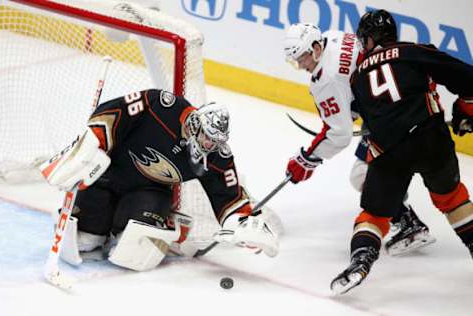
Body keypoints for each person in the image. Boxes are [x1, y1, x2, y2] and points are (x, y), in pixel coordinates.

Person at [40, 89, 279, 271]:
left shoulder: (216, 155)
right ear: (196, 125)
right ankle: (97, 226)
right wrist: (93, 143)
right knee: (84, 240)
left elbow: (229, 198)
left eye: (216, 141)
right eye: (208, 138)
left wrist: (242, 225)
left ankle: (123, 226)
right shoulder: (163, 106)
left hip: (148, 192)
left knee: (132, 248)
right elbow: (115, 112)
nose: (211, 146)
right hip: (108, 175)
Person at [330, 9, 473, 295]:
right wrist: (464, 111)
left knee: (374, 215)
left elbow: (363, 117)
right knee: (451, 197)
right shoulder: (413, 52)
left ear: (369, 40)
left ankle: (361, 260)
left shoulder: (357, 77)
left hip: (388, 150)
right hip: (431, 138)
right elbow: (468, 79)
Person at [283, 23, 434, 256]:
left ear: (314, 47)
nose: (301, 65)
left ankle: (408, 224)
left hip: (388, 118)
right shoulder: (334, 37)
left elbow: (339, 134)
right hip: (405, 98)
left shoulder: (325, 81)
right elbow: (355, 80)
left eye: (302, 58)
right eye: (296, 61)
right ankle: (400, 207)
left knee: (362, 176)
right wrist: (352, 109)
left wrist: (307, 159)